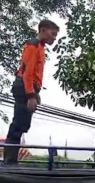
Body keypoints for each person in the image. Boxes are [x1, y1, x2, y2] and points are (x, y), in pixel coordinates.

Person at [4, 20, 59, 165]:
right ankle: (10, 162)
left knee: (23, 124)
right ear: (43, 30)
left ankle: (11, 160)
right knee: (18, 124)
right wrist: (30, 95)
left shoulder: (40, 47)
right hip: (24, 86)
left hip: (29, 87)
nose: (54, 38)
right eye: (52, 34)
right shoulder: (33, 45)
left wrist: (36, 93)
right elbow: (27, 73)